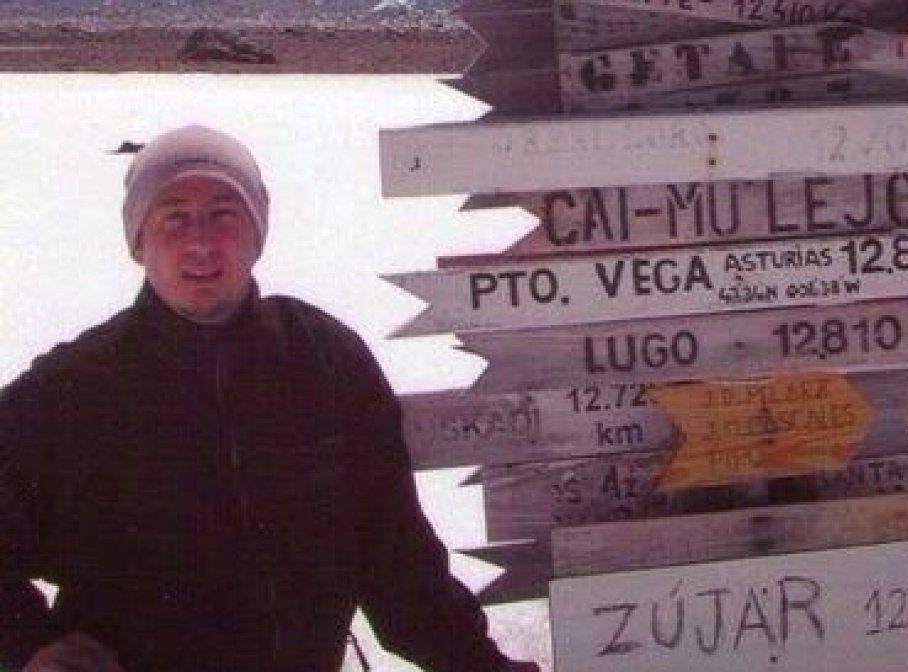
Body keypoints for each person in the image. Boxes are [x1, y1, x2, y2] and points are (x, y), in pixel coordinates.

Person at [0, 125, 540, 672]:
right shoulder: (75, 390)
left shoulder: (323, 361)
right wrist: (30, 645)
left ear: (258, 233)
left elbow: (397, 564)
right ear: (138, 242)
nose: (201, 242)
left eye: (223, 214)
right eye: (174, 218)